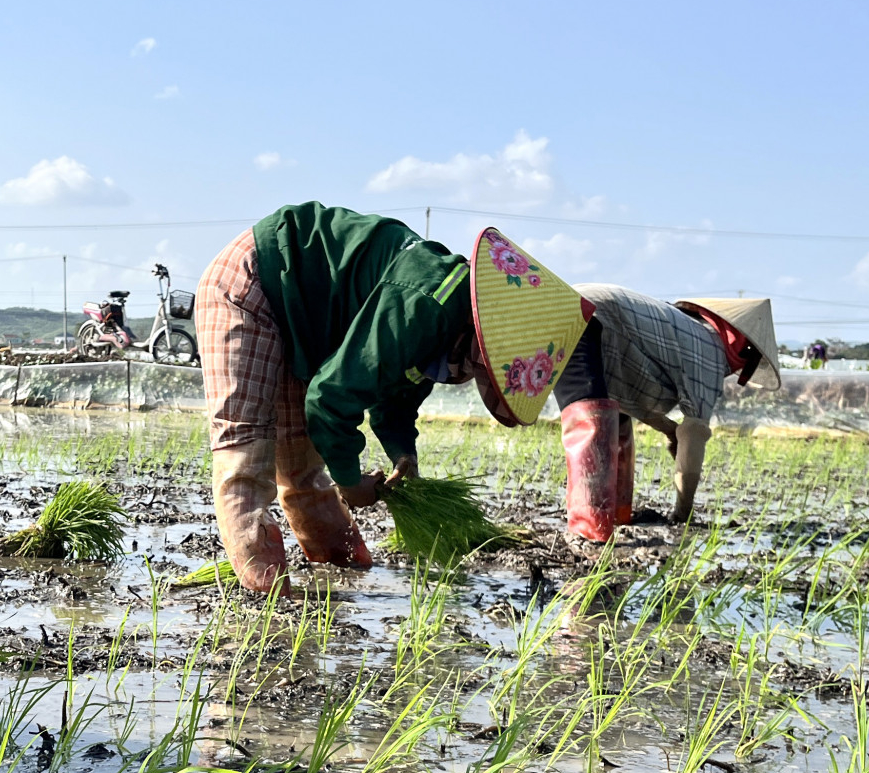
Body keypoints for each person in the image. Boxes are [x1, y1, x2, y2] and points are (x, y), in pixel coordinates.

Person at [197, 202, 587, 591]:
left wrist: (404, 454)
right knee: (245, 451)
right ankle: (264, 596)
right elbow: (330, 398)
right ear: (488, 341)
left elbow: (396, 394)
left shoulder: (450, 319)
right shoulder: (426, 305)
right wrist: (350, 483)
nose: (474, 378)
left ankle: (342, 566)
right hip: (254, 282)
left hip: (303, 321)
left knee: (300, 462)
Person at [555, 287, 780, 541]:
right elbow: (694, 438)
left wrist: (669, 429)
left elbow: (632, 392)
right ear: (744, 352)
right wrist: (683, 513)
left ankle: (616, 515)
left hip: (570, 307)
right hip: (585, 318)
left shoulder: (685, 331)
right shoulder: (710, 353)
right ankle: (589, 533)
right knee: (591, 422)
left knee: (613, 415)